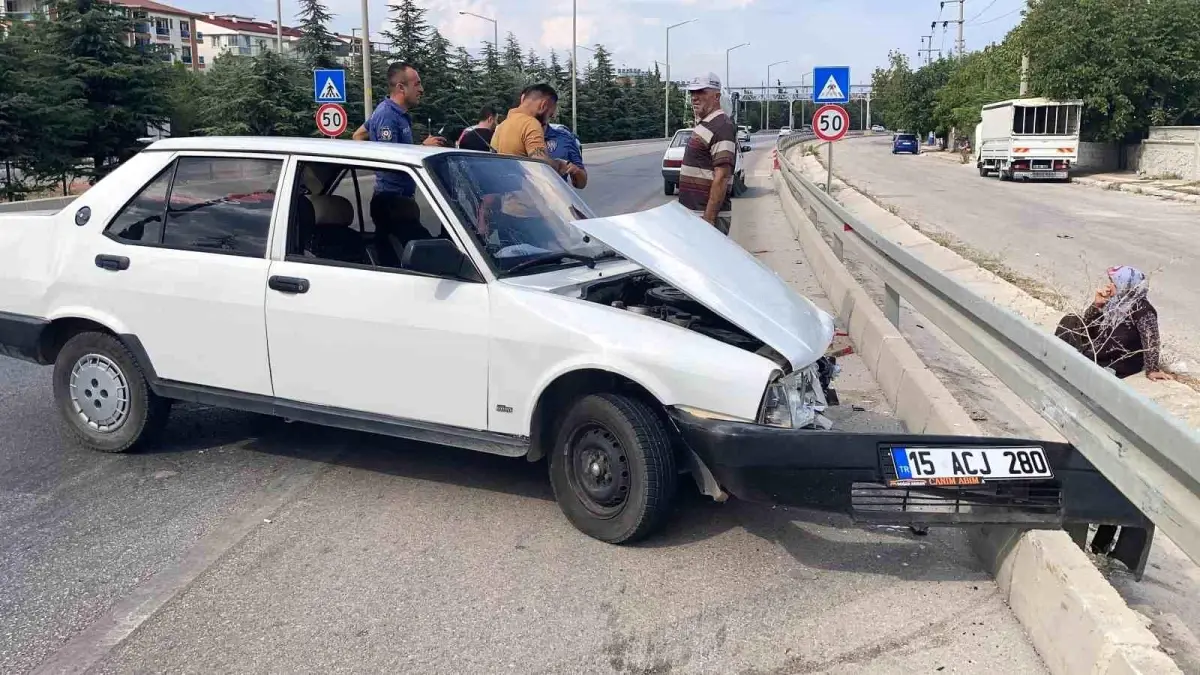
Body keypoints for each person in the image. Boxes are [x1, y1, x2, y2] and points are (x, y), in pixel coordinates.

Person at [350, 62, 446, 266]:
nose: (421, 89)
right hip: (391, 202)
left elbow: (359, 135)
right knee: (429, 255)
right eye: (417, 84)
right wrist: (422, 147)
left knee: (396, 258)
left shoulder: (393, 113)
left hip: (399, 201)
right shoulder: (387, 115)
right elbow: (390, 157)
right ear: (401, 88)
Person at [1054, 265, 1173, 381]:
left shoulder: (1142, 310)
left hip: (1117, 362)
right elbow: (1088, 325)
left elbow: (1151, 340)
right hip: (1098, 349)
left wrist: (1152, 369)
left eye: (1114, 283)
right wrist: (1097, 306)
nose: (1109, 286)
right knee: (1070, 320)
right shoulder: (1114, 303)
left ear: (1125, 286)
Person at [678, 72, 737, 235]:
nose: (694, 97)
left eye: (701, 92)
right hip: (694, 214)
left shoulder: (721, 126)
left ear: (716, 96)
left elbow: (722, 176)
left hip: (707, 217)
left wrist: (709, 219)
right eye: (692, 93)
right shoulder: (706, 124)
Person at [490, 83, 578, 180]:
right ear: (543, 105)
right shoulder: (531, 123)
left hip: (509, 189)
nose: (552, 117)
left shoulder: (502, 126)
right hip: (527, 189)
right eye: (550, 113)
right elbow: (539, 161)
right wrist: (559, 165)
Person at [544, 121, 587, 189]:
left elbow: (581, 184)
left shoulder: (564, 137)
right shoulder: (521, 136)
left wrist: (576, 170)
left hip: (556, 196)